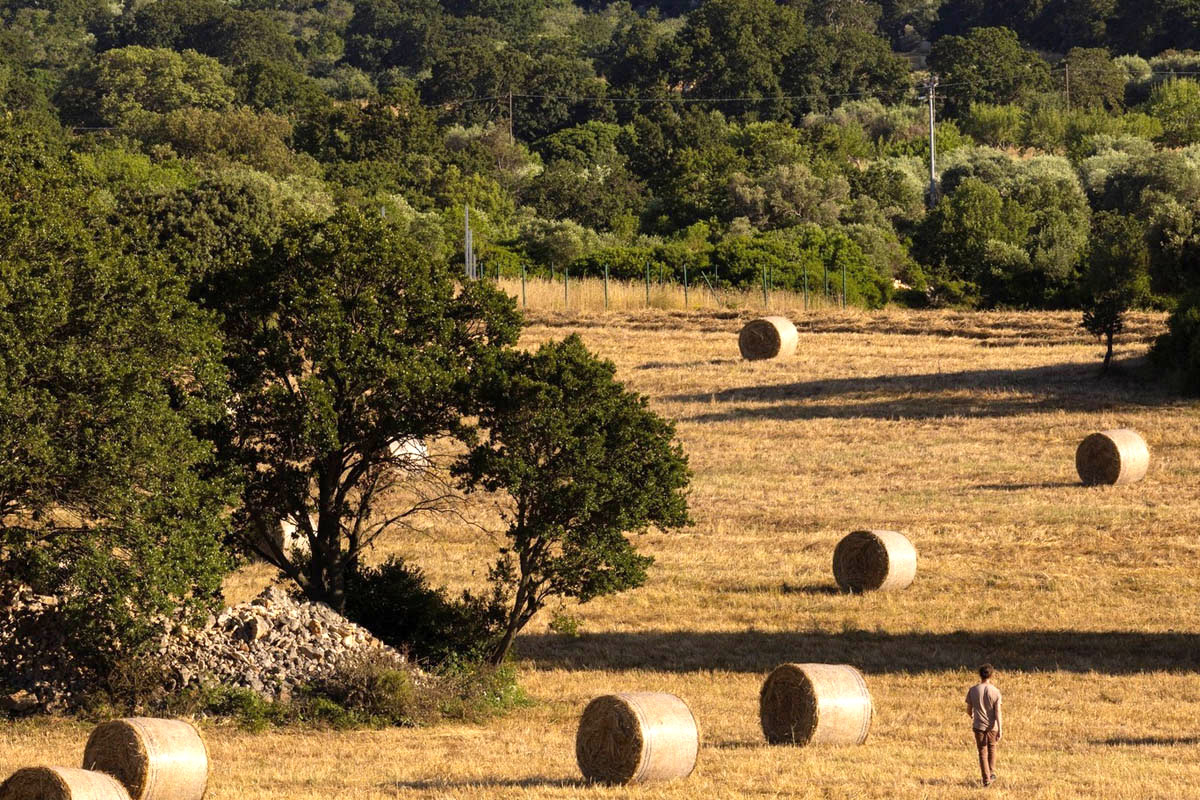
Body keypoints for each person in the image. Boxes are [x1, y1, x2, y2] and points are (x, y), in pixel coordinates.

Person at [966, 663, 1003, 787]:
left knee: (982, 751)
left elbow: (968, 708)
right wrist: (1000, 728)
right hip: (992, 726)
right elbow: (997, 711)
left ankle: (986, 779)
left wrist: (971, 715)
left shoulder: (973, 690)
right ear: (991, 675)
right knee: (992, 748)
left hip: (978, 726)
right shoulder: (995, 691)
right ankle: (991, 772)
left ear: (979, 675)